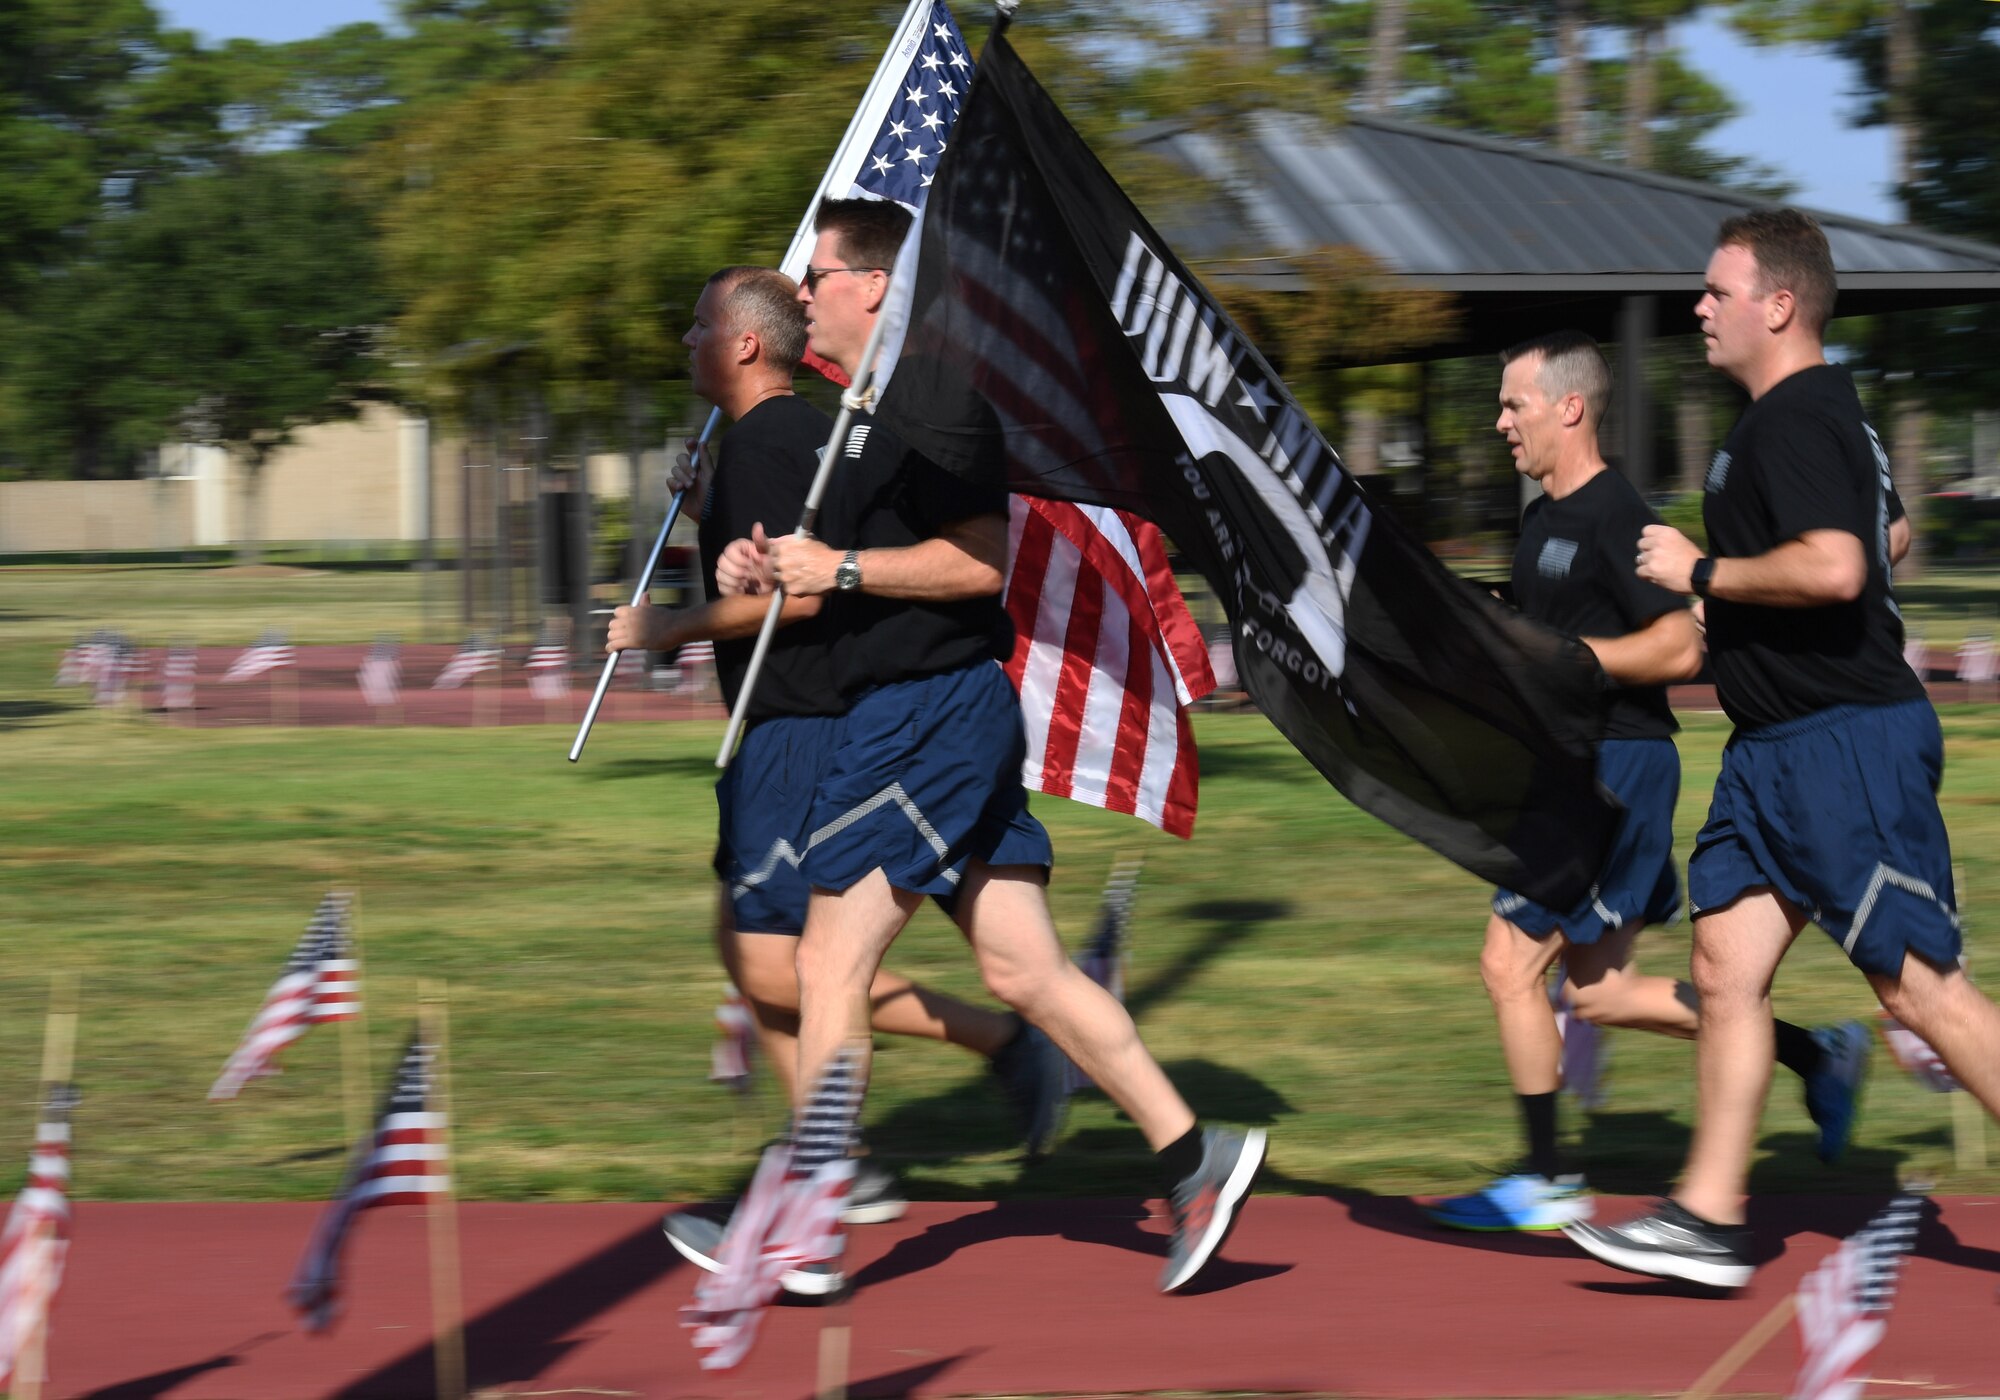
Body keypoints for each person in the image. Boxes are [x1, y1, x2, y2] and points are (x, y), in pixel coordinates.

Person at [717, 197, 1264, 1294]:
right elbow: (845, 550)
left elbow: (978, 562)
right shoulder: (863, 406)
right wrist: (767, 562)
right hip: (920, 712)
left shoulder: (930, 393)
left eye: (816, 273)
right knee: (1023, 966)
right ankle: (1195, 1156)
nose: (802, 293)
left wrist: (845, 572)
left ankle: (814, 1224)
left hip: (929, 714)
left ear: (871, 284)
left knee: (828, 958)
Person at [1566, 208, 2000, 1289]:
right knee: (1722, 969)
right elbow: (1885, 533)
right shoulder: (1811, 418)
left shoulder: (1794, 419)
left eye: (1715, 292)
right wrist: (1756, 605)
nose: (1697, 307)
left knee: (1918, 992)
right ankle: (1709, 1218)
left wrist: (1705, 574)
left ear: (1776, 303)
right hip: (1771, 751)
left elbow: (1842, 566)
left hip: (1838, 746)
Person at [608, 266, 1066, 1269]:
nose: (683, 339)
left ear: (739, 345)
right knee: (759, 951)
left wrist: (662, 628)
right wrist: (701, 510)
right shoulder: (766, 444)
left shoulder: (772, 439)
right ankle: (838, 1147)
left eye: (696, 326)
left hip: (800, 726)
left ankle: (932, 1091)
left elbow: (798, 598)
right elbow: (764, 558)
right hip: (790, 724)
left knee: (786, 960)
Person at [1425, 332, 1868, 1235]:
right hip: (1577, 769)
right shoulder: (1543, 518)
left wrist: (1568, 659)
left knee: (1507, 964)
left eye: (1515, 404)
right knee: (1594, 992)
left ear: (1569, 407)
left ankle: (1547, 1179)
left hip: (1615, 768)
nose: (1502, 421)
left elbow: (1679, 643)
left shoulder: (1616, 516)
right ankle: (1818, 1055)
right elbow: (1552, 636)